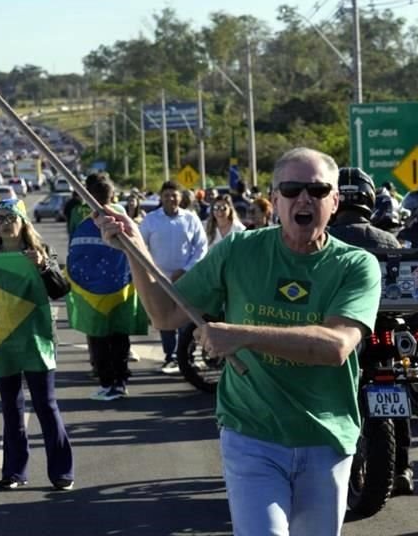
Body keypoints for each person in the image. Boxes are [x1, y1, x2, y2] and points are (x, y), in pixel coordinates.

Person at [97, 147, 381, 535]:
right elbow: (165, 314)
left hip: (326, 437)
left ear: (334, 201)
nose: (304, 199)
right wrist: (134, 247)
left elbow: (334, 347)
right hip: (252, 435)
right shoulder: (238, 250)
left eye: (316, 191)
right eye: (292, 188)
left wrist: (240, 335)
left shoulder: (356, 265)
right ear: (275, 198)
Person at [0, 198, 75, 491]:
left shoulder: (40, 253)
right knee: (11, 407)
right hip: (1, 338)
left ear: (22, 222)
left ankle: (62, 472)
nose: (4, 223)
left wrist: (42, 267)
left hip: (35, 338)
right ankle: (14, 472)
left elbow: (60, 289)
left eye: (10, 217)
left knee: (46, 405)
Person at [329, 167, 414, 496]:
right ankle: (403, 467)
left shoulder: (325, 239)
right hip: (384, 334)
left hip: (340, 334)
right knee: (396, 390)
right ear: (368, 198)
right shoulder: (388, 239)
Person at [70, 173, 138, 401]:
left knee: (99, 339)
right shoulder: (124, 219)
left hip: (94, 295)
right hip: (121, 290)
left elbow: (74, 259)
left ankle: (109, 383)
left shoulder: (85, 222)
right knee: (119, 338)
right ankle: (120, 382)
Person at [138, 180, 208, 374]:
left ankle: (187, 356)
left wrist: (186, 269)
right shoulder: (151, 220)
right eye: (167, 195)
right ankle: (171, 357)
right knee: (165, 319)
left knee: (187, 319)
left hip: (186, 278)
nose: (171, 198)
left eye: (174, 195)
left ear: (180, 197)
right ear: (161, 197)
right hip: (160, 279)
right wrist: (152, 270)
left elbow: (201, 247)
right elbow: (140, 247)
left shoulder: (190, 218)